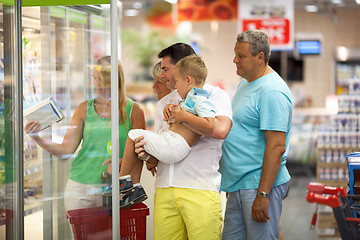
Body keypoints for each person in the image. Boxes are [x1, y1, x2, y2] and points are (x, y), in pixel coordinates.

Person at [135, 43, 233, 240]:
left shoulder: (215, 95)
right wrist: (146, 154)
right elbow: (163, 144)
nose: (162, 76)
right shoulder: (165, 102)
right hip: (164, 189)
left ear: (183, 67)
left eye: (166, 69)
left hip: (200, 189)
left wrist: (184, 116)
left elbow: (220, 130)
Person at [24, 56, 146, 211]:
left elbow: (140, 154)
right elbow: (66, 150)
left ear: (115, 79)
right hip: (80, 188)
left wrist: (121, 166)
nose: (97, 83)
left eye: (102, 78)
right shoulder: (83, 109)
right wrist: (37, 137)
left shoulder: (134, 111)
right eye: (94, 78)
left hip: (117, 190)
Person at [219, 29, 292, 240]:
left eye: (241, 56)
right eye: (235, 54)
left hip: (258, 185)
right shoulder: (247, 82)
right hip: (240, 185)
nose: (235, 60)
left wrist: (263, 194)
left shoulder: (272, 92)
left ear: (260, 57)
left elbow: (277, 147)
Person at [119, 55, 217, 209]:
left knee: (134, 134)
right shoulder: (190, 100)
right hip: (171, 143)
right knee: (139, 141)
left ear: (188, 80)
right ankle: (133, 186)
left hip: (175, 145)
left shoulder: (201, 100)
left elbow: (210, 125)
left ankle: (123, 184)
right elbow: (181, 121)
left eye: (177, 82)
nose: (175, 87)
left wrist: (183, 115)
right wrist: (171, 111)